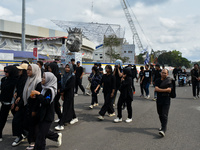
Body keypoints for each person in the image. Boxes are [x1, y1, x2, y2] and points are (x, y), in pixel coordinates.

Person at [31, 72, 62, 150]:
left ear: (49, 79)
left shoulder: (50, 90)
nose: (42, 79)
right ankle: (56, 136)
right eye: (42, 77)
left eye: (44, 77)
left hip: (47, 116)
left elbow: (46, 102)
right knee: (41, 134)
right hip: (42, 115)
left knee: (41, 136)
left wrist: (38, 94)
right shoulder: (44, 88)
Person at [23, 64, 42, 150]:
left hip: (35, 107)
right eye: (27, 69)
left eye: (30, 70)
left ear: (35, 70)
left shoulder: (38, 81)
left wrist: (34, 110)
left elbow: (38, 99)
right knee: (30, 125)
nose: (28, 71)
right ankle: (54, 136)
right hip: (28, 105)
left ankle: (33, 142)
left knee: (33, 126)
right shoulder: (29, 79)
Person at [55, 64, 78, 131]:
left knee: (66, 108)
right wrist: (62, 93)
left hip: (69, 94)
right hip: (65, 93)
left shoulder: (72, 77)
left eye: (68, 67)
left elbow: (69, 86)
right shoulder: (64, 76)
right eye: (66, 67)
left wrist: (62, 91)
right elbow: (63, 85)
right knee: (70, 106)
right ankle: (74, 117)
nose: (67, 69)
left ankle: (61, 124)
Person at [11, 63, 28, 147]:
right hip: (17, 101)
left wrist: (19, 104)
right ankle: (23, 134)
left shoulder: (26, 80)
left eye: (20, 70)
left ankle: (20, 136)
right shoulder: (20, 78)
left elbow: (25, 94)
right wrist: (16, 93)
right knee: (20, 120)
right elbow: (19, 89)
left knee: (16, 121)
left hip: (23, 104)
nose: (18, 71)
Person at [0, 65, 18, 142]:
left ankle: (22, 134)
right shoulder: (4, 79)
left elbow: (16, 92)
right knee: (1, 119)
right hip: (4, 103)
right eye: (5, 71)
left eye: (7, 71)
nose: (5, 73)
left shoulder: (16, 80)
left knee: (17, 120)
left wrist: (13, 102)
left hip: (13, 104)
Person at [155, 69, 172, 137]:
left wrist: (160, 90)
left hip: (166, 100)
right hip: (159, 99)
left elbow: (169, 90)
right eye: (162, 73)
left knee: (164, 114)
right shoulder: (157, 80)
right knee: (160, 113)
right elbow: (156, 88)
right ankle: (163, 125)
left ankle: (163, 129)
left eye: (165, 73)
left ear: (167, 74)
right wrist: (164, 90)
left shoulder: (169, 81)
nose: (163, 74)